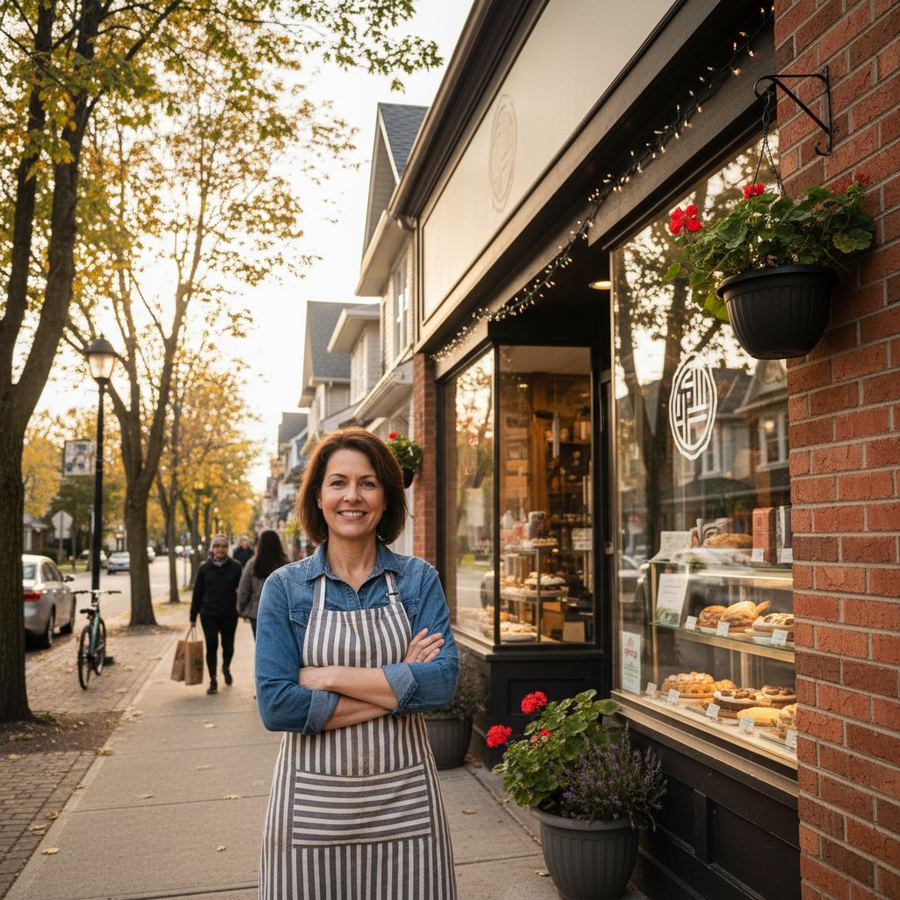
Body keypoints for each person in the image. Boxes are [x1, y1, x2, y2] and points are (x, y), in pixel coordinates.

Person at [255, 429, 458, 899]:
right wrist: (399, 687)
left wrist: (327, 677)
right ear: (318, 498)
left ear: (386, 498)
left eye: (367, 483)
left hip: (405, 807)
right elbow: (277, 705)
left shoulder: (417, 580)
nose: (353, 496)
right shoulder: (285, 588)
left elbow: (442, 684)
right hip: (311, 814)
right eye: (338, 483)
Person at [190, 535, 242, 695]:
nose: (220, 549)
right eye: (217, 546)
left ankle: (226, 666)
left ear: (227, 549)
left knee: (228, 646)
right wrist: (193, 617)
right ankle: (213, 679)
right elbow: (197, 593)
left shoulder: (236, 567)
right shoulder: (204, 568)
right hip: (208, 614)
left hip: (229, 614)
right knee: (211, 645)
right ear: (212, 549)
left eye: (223, 546)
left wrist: (243, 609)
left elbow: (242, 590)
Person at [237, 529, 287, 638]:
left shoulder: (252, 564)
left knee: (261, 645)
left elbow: (244, 589)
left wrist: (242, 609)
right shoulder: (286, 564)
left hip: (257, 612)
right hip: (281, 612)